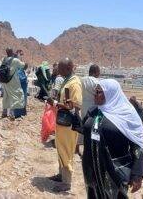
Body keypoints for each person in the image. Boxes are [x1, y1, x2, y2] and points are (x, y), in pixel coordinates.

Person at [74, 79, 143, 198]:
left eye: (99, 92)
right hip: (93, 167)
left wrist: (137, 174)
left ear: (110, 93)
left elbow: (136, 145)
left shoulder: (125, 115)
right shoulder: (94, 111)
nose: (95, 95)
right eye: (95, 91)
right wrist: (74, 117)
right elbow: (85, 130)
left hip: (115, 170)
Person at [48, 58, 82, 192]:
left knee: (67, 151)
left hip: (69, 124)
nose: (58, 71)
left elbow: (73, 105)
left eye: (60, 68)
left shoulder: (75, 84)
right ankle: (61, 175)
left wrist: (55, 104)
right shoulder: (67, 81)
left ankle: (67, 183)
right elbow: (67, 101)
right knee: (61, 149)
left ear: (68, 68)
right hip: (62, 122)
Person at [77, 64, 100, 156]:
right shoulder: (96, 82)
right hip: (93, 106)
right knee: (92, 126)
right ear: (95, 72)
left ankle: (77, 147)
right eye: (99, 72)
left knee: (82, 124)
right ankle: (88, 148)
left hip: (82, 105)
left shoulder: (81, 80)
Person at [1, 48, 28, 119]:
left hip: (4, 81)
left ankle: (4, 112)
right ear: (12, 52)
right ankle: (12, 113)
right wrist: (26, 63)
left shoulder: (4, 59)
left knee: (6, 96)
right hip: (12, 81)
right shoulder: (15, 60)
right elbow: (24, 66)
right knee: (17, 95)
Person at [14, 49, 28, 117]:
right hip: (20, 83)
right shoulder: (16, 63)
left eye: (22, 54)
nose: (22, 56)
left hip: (22, 84)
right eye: (21, 54)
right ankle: (18, 113)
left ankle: (22, 112)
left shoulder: (19, 62)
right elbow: (19, 75)